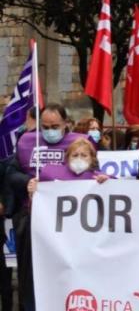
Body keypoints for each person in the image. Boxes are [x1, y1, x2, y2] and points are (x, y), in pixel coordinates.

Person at [9, 104, 89, 311]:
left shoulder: (80, 143)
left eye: (55, 126)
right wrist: (28, 181)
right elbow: (11, 173)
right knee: (30, 274)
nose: (49, 131)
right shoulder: (27, 141)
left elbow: (92, 174)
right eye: (45, 126)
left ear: (65, 124)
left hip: (68, 223)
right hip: (32, 219)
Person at [29, 139, 111, 191]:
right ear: (68, 158)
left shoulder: (99, 178)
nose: (79, 158)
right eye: (75, 155)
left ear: (92, 158)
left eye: (84, 155)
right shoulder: (50, 174)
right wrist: (33, 192)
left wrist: (108, 183)